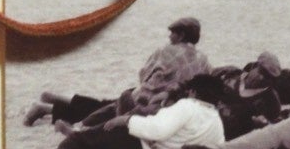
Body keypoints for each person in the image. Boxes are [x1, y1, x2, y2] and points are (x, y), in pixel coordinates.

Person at [6, 70, 225, 149]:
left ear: (193, 92)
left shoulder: (188, 105)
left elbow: (157, 129)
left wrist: (126, 119)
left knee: (80, 139)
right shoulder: (216, 121)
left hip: (135, 139)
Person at [22, 16, 210, 129]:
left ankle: (49, 106)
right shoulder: (204, 59)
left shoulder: (166, 51)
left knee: (104, 107)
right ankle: (53, 102)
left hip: (147, 99)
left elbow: (144, 74)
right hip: (168, 103)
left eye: (172, 33)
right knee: (104, 106)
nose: (169, 36)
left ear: (181, 35)